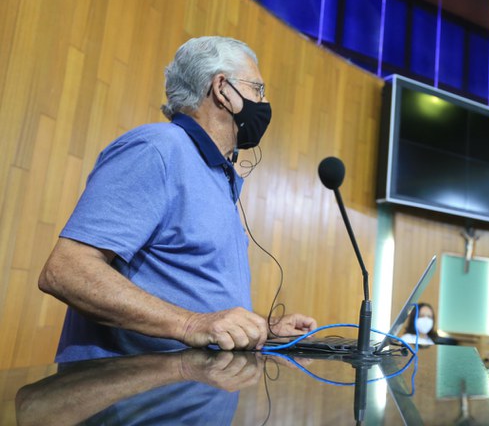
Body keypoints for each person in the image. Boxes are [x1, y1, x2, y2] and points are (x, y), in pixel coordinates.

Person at [38, 36, 317, 362]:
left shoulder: (215, 174)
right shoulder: (157, 150)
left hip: (188, 388)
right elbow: (65, 271)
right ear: (222, 89)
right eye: (258, 89)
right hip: (127, 393)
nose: (264, 101)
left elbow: (197, 299)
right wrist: (191, 324)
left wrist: (261, 329)